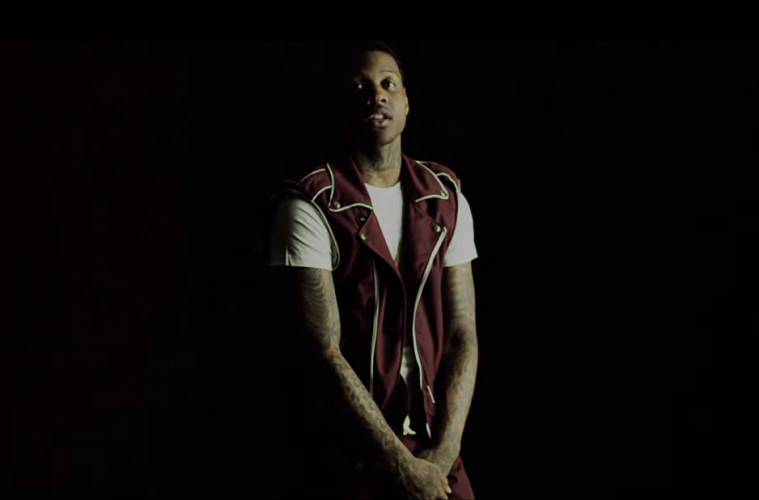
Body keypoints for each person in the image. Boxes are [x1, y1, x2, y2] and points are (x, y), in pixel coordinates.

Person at [262, 41, 479, 499]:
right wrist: (400, 465)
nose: (376, 95)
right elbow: (324, 353)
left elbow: (463, 333)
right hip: (349, 454)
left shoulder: (445, 197)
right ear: (343, 106)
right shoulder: (310, 205)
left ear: (406, 103)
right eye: (360, 87)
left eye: (388, 84)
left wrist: (442, 455)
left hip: (434, 449)